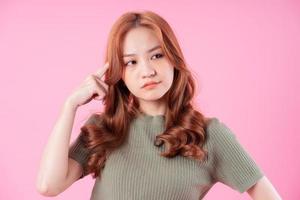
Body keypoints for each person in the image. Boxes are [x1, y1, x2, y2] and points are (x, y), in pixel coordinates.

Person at [36, 10, 282, 200]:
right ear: (118, 72)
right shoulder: (104, 129)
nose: (147, 71)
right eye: (131, 62)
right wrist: (69, 106)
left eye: (156, 55)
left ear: (173, 59)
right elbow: (49, 186)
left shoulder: (209, 135)